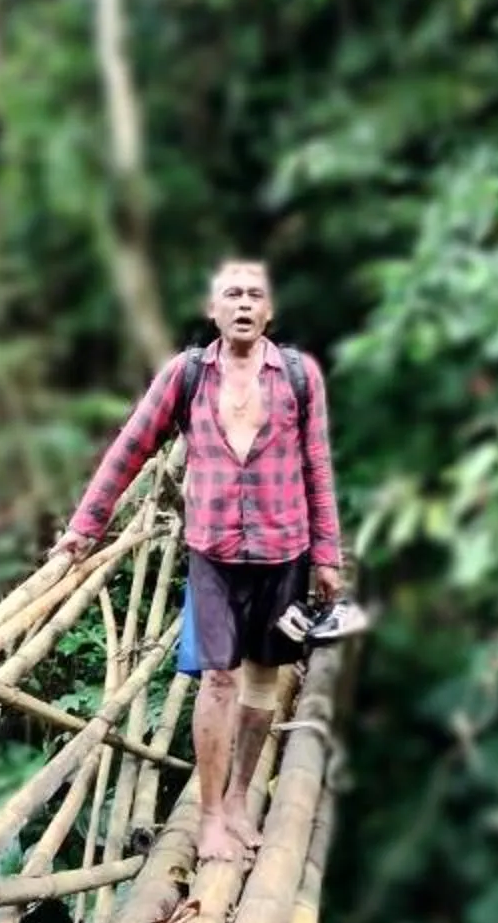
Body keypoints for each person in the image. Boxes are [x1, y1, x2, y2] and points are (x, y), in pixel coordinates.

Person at [57, 259, 343, 864]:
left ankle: (239, 797)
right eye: (231, 294)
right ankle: (212, 817)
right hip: (213, 551)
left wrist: (328, 555)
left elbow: (317, 466)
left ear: (269, 311)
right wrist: (85, 526)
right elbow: (128, 449)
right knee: (218, 678)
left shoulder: (297, 376)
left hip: (283, 550)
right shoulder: (186, 377)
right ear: (212, 310)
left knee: (265, 676)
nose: (243, 303)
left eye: (254, 295)